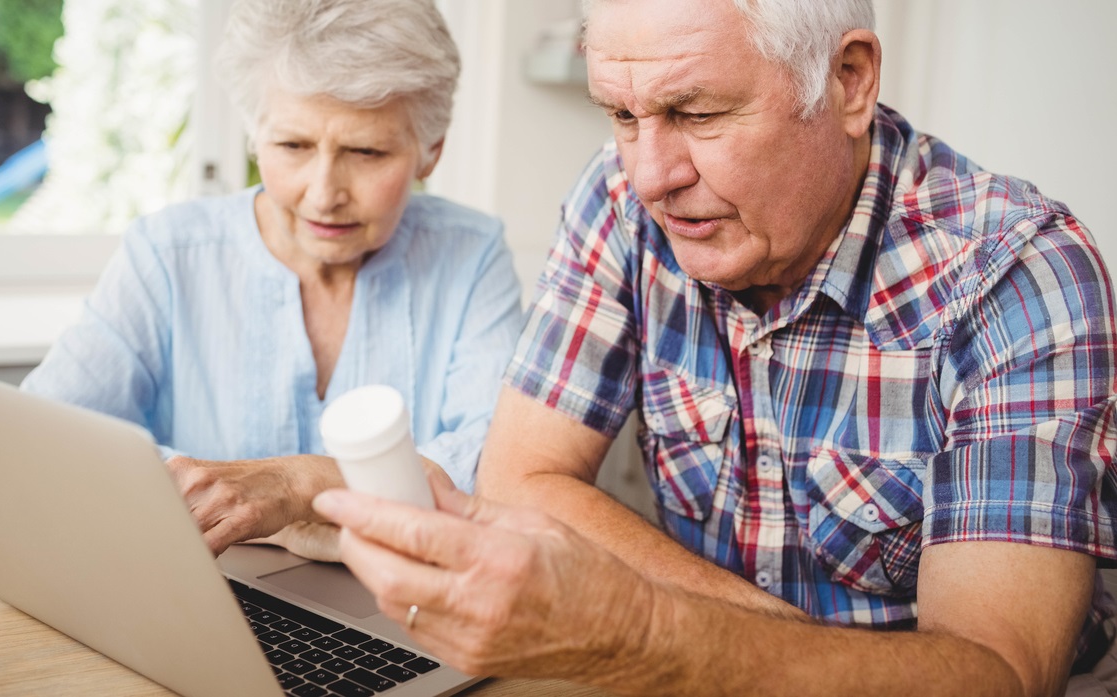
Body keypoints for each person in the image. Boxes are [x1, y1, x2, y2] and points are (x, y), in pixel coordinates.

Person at [311, 0, 1117, 694]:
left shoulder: (1017, 270)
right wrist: (752, 647)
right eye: (622, 116)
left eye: (697, 114)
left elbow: (999, 675)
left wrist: (647, 628)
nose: (651, 174)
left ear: (848, 82)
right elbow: (522, 477)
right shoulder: (619, 199)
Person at [21, 0, 522, 558]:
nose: (324, 193)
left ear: (430, 151)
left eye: (366, 151)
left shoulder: (472, 254)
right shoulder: (166, 254)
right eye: (293, 146)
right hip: (204, 585)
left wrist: (299, 486)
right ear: (253, 134)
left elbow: (495, 469)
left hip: (405, 600)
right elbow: (48, 437)